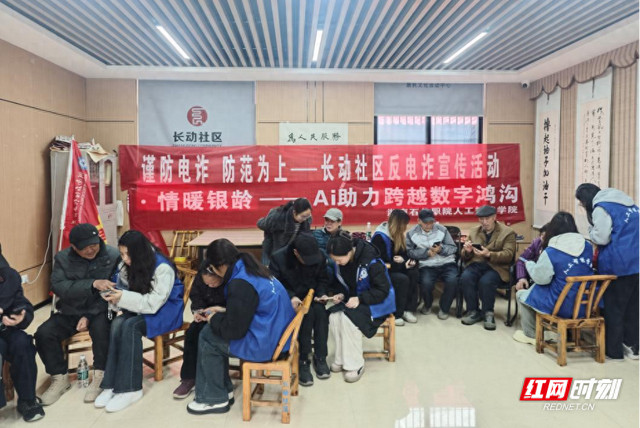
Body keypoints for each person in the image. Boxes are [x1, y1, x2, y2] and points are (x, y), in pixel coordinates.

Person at [188, 239, 295, 415]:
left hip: (266, 343)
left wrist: (213, 318)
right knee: (213, 330)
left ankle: (213, 398)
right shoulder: (252, 268)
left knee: (208, 336)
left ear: (219, 266)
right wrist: (224, 310)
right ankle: (224, 390)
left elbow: (235, 331)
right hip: (277, 333)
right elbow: (252, 306)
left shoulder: (239, 282)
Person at [94, 230, 184, 412]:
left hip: (166, 310)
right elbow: (124, 291)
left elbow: (153, 303)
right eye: (122, 254)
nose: (125, 259)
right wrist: (113, 297)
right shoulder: (126, 264)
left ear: (140, 252)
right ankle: (111, 384)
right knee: (117, 323)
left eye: (128, 254)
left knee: (130, 326)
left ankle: (131, 389)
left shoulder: (162, 267)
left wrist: (122, 297)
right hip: (140, 306)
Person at [35, 223, 119, 405]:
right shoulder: (62, 258)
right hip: (70, 310)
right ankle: (59, 378)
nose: (91, 250)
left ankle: (101, 375)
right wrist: (92, 284)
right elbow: (59, 286)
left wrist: (88, 315)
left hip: (99, 309)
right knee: (43, 333)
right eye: (84, 247)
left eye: (94, 244)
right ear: (73, 247)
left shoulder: (112, 256)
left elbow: (114, 291)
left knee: (102, 329)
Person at [575, 183, 639, 360]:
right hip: (636, 262)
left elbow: (602, 238)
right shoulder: (630, 205)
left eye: (581, 203)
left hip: (617, 265)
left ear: (586, 200)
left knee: (614, 308)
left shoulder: (601, 208)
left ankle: (614, 352)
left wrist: (590, 231)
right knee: (633, 307)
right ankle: (633, 348)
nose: (582, 206)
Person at [513, 212, 594, 344]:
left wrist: (530, 264)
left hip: (561, 305)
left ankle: (531, 334)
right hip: (584, 304)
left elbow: (540, 279)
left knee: (522, 295)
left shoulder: (551, 251)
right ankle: (558, 332)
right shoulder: (588, 246)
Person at [326, 231, 395, 383]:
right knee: (334, 317)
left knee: (348, 320)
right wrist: (341, 294)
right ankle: (341, 358)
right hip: (357, 300)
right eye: (334, 260)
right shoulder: (344, 262)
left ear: (349, 252)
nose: (337, 263)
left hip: (378, 303)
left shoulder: (372, 262)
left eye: (339, 260)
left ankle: (355, 364)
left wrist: (360, 298)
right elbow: (347, 285)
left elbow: (383, 290)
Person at [269, 232, 331, 386]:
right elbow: (275, 285)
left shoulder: (319, 256)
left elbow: (323, 279)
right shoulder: (278, 258)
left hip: (312, 296)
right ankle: (303, 360)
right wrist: (290, 297)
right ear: (296, 252)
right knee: (305, 316)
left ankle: (320, 357)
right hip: (291, 300)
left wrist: (321, 293)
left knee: (321, 314)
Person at [0, 244, 44, 422]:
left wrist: (21, 316)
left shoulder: (8, 275)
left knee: (23, 343)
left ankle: (27, 400)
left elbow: (21, 303)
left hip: (5, 329)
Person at [172, 266, 226, 399]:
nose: (209, 286)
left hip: (224, 316)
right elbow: (196, 296)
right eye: (207, 284)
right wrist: (198, 311)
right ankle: (189, 378)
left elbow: (235, 306)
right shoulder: (201, 276)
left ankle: (211, 378)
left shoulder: (230, 280)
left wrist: (218, 310)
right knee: (192, 332)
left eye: (213, 283)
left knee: (206, 334)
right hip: (206, 315)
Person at [460, 205, 516, 330]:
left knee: (486, 281)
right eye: (481, 219)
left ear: (494, 217)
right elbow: (463, 255)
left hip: (497, 267)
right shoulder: (474, 231)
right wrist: (467, 251)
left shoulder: (507, 232)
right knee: (466, 277)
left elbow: (509, 255)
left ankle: (488, 313)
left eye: (487, 219)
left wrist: (489, 254)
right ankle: (473, 311)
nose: (484, 222)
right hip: (477, 264)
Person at [406, 209, 459, 320]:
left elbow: (453, 248)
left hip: (447, 262)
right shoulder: (411, 233)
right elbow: (409, 252)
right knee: (426, 283)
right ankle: (427, 304)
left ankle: (444, 308)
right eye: (425, 222)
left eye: (431, 222)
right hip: (427, 265)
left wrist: (441, 249)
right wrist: (426, 253)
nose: (429, 225)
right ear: (419, 221)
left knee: (453, 281)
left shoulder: (442, 230)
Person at [371, 209, 418, 326]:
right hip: (383, 271)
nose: (405, 228)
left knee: (414, 272)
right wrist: (401, 264)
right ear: (398, 224)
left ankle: (408, 309)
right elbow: (381, 263)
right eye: (404, 224)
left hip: (395, 267)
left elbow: (403, 254)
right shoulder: (380, 237)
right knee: (402, 279)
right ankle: (397, 314)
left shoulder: (398, 235)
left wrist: (406, 260)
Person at [257, 197, 312, 265]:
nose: (305, 219)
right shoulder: (278, 218)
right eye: (303, 216)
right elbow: (260, 224)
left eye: (308, 216)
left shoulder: (307, 219)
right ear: (294, 212)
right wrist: (269, 222)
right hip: (272, 249)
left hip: (291, 251)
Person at [514, 224, 548, 292]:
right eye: (541, 235)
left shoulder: (555, 249)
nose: (542, 238)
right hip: (532, 277)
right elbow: (521, 260)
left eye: (545, 237)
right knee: (520, 287)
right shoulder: (537, 243)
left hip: (545, 281)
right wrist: (522, 278)